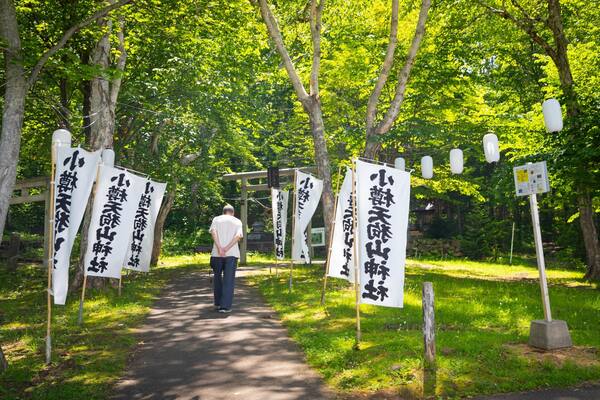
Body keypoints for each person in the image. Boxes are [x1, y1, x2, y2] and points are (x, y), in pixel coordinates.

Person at [209, 204, 243, 313]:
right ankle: (225, 306)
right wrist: (226, 248)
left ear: (223, 212)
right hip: (231, 254)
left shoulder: (216, 219)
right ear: (233, 212)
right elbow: (238, 236)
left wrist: (219, 248)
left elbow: (213, 232)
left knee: (217, 278)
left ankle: (218, 302)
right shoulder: (237, 221)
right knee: (229, 280)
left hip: (216, 254)